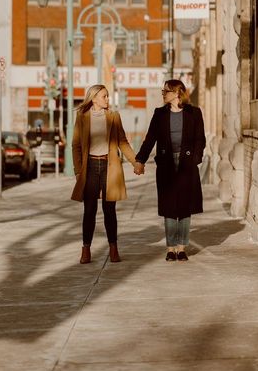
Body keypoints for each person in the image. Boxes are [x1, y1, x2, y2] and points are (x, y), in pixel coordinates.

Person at [134, 79, 205, 262]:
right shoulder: (159, 114)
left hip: (186, 164)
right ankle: (170, 248)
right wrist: (140, 160)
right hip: (166, 163)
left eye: (166, 91)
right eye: (163, 90)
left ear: (177, 93)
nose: (163, 93)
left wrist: (196, 158)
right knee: (168, 206)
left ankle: (182, 248)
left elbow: (200, 139)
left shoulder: (194, 113)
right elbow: (150, 139)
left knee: (184, 206)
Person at [71, 84, 137, 264]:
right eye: (104, 96)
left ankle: (113, 248)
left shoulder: (113, 117)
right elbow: (76, 145)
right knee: (89, 210)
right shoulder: (82, 117)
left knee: (110, 210)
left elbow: (122, 142)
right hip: (90, 167)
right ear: (93, 99)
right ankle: (86, 249)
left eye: (108, 96)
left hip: (109, 166)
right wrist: (78, 171)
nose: (108, 99)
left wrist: (135, 162)